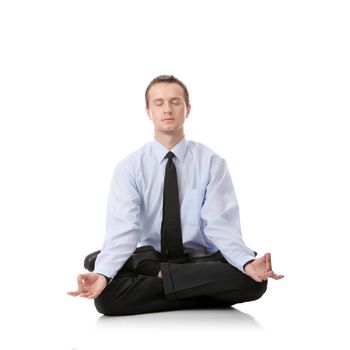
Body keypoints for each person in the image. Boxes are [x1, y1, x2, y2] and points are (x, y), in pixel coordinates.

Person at [68, 74, 284, 316]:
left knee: (253, 281)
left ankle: (163, 279)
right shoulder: (129, 168)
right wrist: (104, 274)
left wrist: (245, 263)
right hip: (154, 257)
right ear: (148, 111)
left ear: (187, 108)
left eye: (175, 101)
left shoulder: (212, 163)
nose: (167, 109)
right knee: (106, 296)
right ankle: (200, 293)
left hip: (200, 259)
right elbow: (124, 229)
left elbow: (220, 225)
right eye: (158, 103)